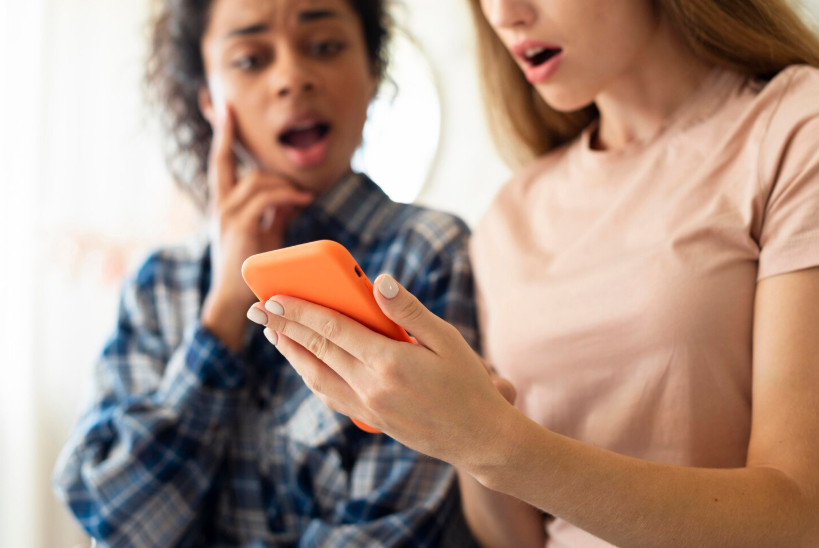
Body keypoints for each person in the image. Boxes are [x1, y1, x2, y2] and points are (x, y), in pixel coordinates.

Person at [246, 0, 819, 546]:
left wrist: (495, 442)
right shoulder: (511, 216)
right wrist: (458, 437)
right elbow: (516, 539)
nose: (504, 15)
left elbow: (801, 516)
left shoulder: (794, 127)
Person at [52, 0, 480, 546]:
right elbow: (112, 516)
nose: (292, 77)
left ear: (373, 71)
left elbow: (399, 528)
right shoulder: (162, 283)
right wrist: (224, 312)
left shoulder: (429, 255)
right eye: (251, 59)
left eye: (324, 47)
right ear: (209, 99)